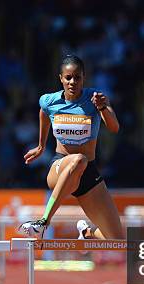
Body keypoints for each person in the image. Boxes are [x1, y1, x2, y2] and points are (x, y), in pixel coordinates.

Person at [20, 55, 124, 240]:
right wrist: (41, 146)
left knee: (116, 239)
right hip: (60, 166)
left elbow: (114, 128)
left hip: (88, 174)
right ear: (60, 78)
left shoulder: (96, 99)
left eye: (77, 77)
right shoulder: (49, 101)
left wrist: (102, 108)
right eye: (68, 77)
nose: (72, 82)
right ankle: (43, 222)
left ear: (84, 78)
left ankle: (87, 232)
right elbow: (43, 113)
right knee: (78, 159)